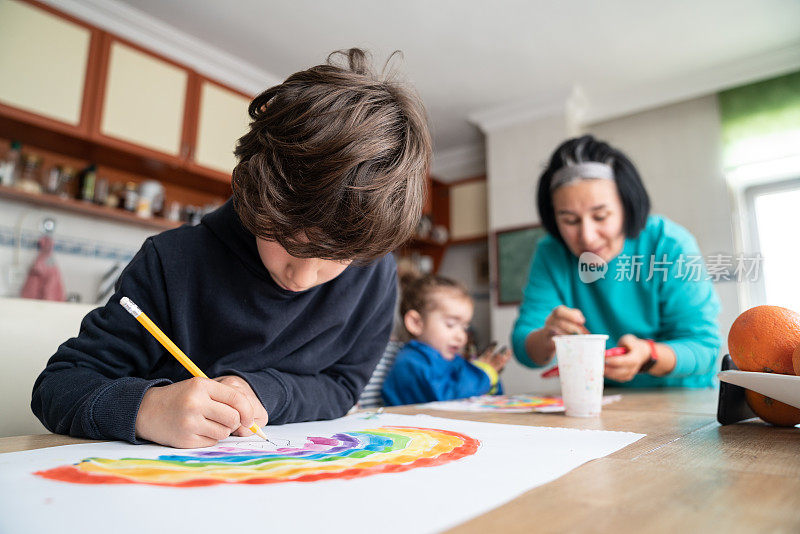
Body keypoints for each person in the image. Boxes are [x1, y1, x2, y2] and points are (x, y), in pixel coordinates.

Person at [31, 48, 432, 448]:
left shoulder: (375, 271)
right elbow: (58, 387)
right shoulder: (172, 262)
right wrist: (146, 408)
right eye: (291, 242)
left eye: (338, 258)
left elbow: (343, 387)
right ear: (254, 196)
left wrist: (263, 391)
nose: (303, 277)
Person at [512, 135, 720, 387]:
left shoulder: (669, 245)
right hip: (606, 401)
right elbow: (524, 346)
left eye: (600, 216)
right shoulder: (550, 253)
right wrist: (548, 335)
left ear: (627, 207)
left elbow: (704, 348)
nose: (587, 237)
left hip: (683, 402)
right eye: (569, 220)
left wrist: (648, 355)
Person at [382, 275, 511, 406]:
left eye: (464, 327)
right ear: (416, 323)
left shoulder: (453, 360)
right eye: (450, 324)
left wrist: (491, 377)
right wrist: (484, 374)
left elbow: (487, 396)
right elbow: (446, 399)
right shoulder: (410, 363)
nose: (461, 336)